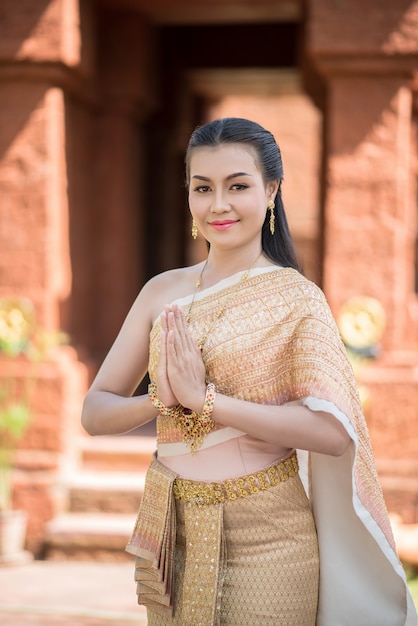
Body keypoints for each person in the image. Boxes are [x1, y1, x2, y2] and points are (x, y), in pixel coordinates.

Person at [81, 117, 416, 626]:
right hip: (173, 531)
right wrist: (162, 400)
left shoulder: (297, 299)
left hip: (270, 539)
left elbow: (331, 434)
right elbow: (95, 410)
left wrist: (206, 401)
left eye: (237, 186)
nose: (219, 204)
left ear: (271, 190)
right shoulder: (161, 291)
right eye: (203, 188)